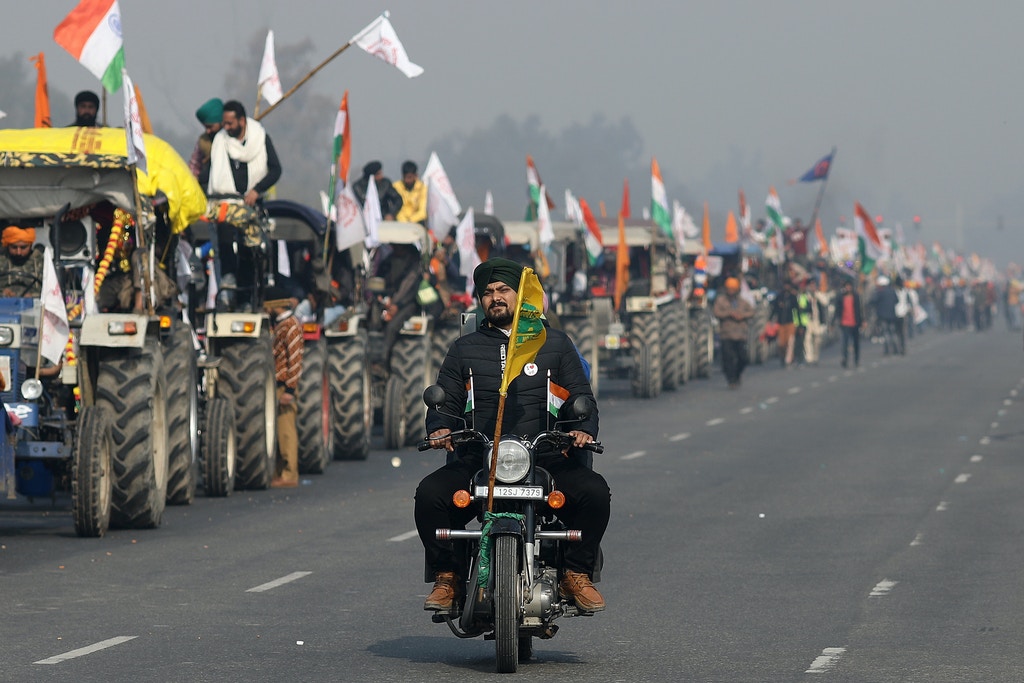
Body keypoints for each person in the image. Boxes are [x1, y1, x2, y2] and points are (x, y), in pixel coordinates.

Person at [415, 257, 610, 613]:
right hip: (479, 456)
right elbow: (446, 401)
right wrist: (440, 428)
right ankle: (448, 577)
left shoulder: (554, 344)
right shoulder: (464, 348)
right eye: (488, 292)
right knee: (430, 495)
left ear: (521, 296)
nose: (495, 298)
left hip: (545, 456)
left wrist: (582, 429)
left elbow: (582, 398)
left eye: (504, 289)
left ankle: (576, 573)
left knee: (595, 494)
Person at [198, 100, 282, 310]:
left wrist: (256, 190)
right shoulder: (220, 142)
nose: (225, 127)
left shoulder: (260, 138)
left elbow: (275, 169)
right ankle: (227, 288)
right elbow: (205, 176)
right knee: (225, 243)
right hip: (224, 204)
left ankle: (246, 298)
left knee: (249, 250)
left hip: (251, 207)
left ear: (241, 121)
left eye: (229, 123)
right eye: (223, 123)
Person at [265, 288, 303, 488]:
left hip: (284, 385)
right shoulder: (281, 325)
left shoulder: (291, 326)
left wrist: (290, 389)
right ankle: (280, 472)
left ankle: (289, 474)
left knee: (286, 431)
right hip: (278, 384)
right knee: (279, 431)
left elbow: (295, 359)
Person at [713, 276, 754, 388]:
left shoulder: (743, 302)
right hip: (727, 334)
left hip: (741, 334)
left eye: (733, 289)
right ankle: (731, 379)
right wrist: (729, 314)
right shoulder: (721, 301)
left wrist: (742, 316)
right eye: (729, 289)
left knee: (743, 358)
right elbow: (716, 312)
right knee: (728, 358)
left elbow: (751, 312)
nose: (731, 291)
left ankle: (737, 374)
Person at [0, 225, 45, 298]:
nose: (18, 252)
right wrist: (3, 293)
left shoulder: (41, 261)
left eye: (23, 247)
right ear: (7, 245)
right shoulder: (1, 258)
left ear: (31, 245)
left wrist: (32, 296)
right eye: (14, 247)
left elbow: (51, 292)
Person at [189, 97, 223, 178]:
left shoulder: (231, 138)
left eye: (210, 127)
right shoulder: (203, 141)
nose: (208, 131)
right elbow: (194, 166)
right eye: (206, 127)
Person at [870, 275, 902, 355]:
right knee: (893, 332)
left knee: (886, 333)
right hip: (892, 315)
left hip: (883, 316)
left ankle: (887, 349)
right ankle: (896, 349)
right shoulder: (892, 291)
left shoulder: (879, 292)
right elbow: (897, 300)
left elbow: (873, 301)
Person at [837, 279, 864, 368]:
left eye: (849, 286)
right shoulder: (841, 297)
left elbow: (860, 310)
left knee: (856, 343)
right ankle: (845, 359)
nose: (848, 288)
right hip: (844, 323)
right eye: (846, 286)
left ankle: (856, 359)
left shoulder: (856, 297)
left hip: (855, 322)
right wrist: (834, 322)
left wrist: (863, 321)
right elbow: (837, 310)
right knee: (845, 343)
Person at [393, 160, 427, 225]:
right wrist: (404, 222)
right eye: (405, 177)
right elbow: (396, 208)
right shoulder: (396, 187)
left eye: (409, 177)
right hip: (400, 223)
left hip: (416, 223)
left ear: (416, 176)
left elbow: (423, 212)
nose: (407, 180)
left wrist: (410, 221)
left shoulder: (423, 188)